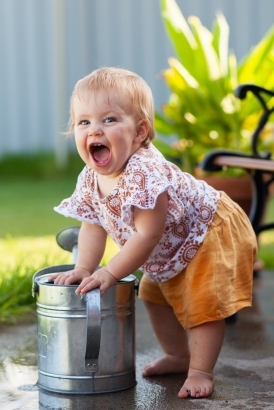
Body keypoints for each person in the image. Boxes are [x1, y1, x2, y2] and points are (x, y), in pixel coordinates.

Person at [51, 67, 257, 399]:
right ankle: (179, 356)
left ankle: (201, 371)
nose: (94, 130)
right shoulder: (90, 178)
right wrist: (85, 268)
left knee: (202, 305)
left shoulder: (143, 173)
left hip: (208, 231)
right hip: (170, 248)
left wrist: (109, 272)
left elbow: (148, 234)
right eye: (84, 122)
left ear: (139, 131)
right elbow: (92, 224)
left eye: (109, 120)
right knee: (153, 297)